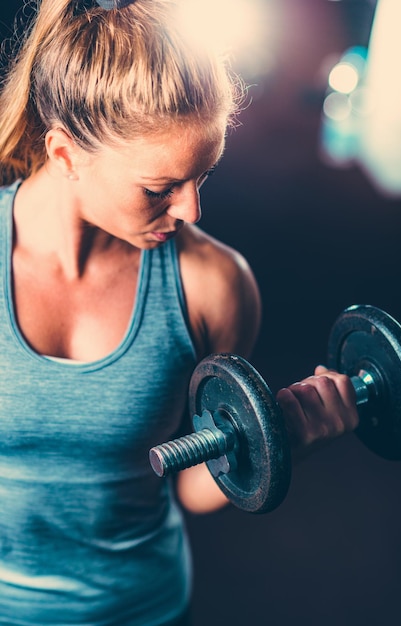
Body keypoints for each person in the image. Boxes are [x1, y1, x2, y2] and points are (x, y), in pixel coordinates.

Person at [0, 0, 359, 624]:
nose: (192, 210)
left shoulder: (215, 285)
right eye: (159, 188)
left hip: (144, 607)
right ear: (65, 156)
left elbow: (196, 480)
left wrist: (282, 441)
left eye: (204, 175)